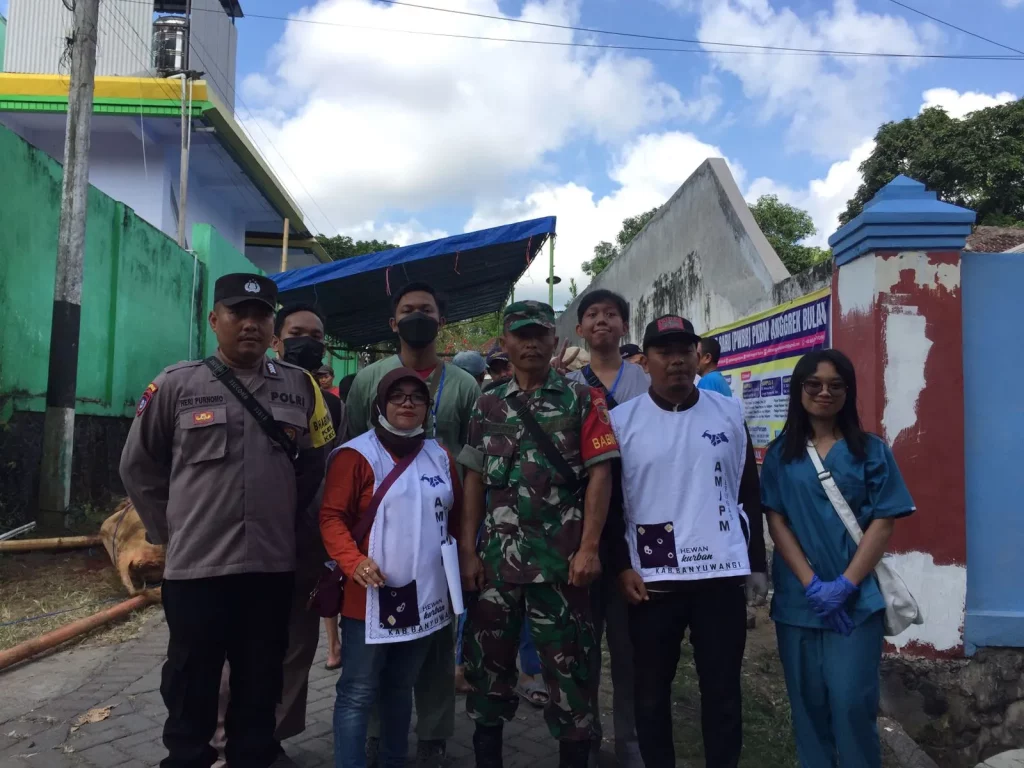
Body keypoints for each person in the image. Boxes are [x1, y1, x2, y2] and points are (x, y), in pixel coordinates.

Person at [119, 273, 335, 768]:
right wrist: (172, 532)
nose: (250, 325)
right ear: (215, 320)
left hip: (270, 567)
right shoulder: (176, 385)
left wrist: (282, 517)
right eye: (239, 314)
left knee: (261, 680)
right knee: (192, 681)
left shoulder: (300, 388)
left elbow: (313, 464)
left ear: (273, 326)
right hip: (197, 570)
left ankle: (253, 756)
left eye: (261, 316)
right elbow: (139, 466)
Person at [458, 300, 619, 768]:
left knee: (570, 678)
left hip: (562, 569)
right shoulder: (486, 402)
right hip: (496, 568)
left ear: (555, 341)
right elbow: (473, 480)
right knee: (488, 674)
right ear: (504, 343)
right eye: (520, 334)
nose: (530, 342)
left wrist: (589, 548)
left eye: (539, 334)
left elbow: (601, 476)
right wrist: (468, 551)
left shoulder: (583, 399)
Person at [610, 314, 767, 768]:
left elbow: (746, 490)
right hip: (651, 582)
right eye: (664, 352)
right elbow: (613, 505)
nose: (676, 360)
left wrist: (756, 561)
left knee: (721, 691)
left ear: (698, 356)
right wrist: (622, 565)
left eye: (685, 350)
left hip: (719, 580)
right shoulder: (622, 421)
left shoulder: (728, 413)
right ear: (646, 362)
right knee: (651, 695)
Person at [346, 281, 480, 767]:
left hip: (440, 536)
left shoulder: (464, 386)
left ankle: (435, 730)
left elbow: (473, 467)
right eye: (408, 310)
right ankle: (381, 731)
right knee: (382, 633)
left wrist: (468, 543)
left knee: (437, 638)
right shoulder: (369, 380)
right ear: (392, 322)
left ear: (441, 320)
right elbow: (350, 452)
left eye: (426, 309)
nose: (417, 316)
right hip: (380, 534)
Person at [760, 349, 915, 768]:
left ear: (848, 392)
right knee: (807, 710)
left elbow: (883, 521)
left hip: (856, 602)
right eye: (814, 384)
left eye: (835, 385)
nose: (824, 392)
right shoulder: (780, 455)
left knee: (851, 705)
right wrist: (811, 584)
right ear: (799, 390)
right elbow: (777, 522)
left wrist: (845, 584)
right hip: (799, 602)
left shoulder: (872, 451)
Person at [320, 369, 463, 768]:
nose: (407, 403)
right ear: (379, 405)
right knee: (358, 692)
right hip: (366, 599)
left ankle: (393, 760)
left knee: (400, 687)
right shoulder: (355, 456)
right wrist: (354, 562)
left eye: (416, 397)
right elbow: (331, 518)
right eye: (397, 396)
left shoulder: (440, 454)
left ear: (427, 408)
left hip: (423, 597)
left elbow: (453, 517)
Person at [566, 289, 647, 767]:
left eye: (611, 314)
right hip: (580, 530)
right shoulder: (567, 385)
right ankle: (588, 734)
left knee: (629, 646)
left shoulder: (646, 378)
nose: (602, 321)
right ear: (579, 329)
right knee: (583, 646)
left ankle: (630, 739)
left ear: (624, 325)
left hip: (636, 529)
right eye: (592, 314)